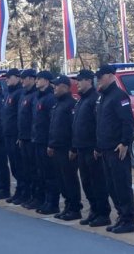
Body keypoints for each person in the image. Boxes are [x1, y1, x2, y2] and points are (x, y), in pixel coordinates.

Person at [95, 64, 134, 234]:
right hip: (105, 148)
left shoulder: (119, 96)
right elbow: (102, 124)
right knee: (111, 186)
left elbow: (127, 121)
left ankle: (128, 220)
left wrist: (125, 142)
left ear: (111, 76)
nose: (98, 80)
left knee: (121, 185)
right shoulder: (103, 97)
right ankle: (121, 216)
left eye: (101, 76)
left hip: (117, 149)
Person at [72, 69, 112, 227]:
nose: (77, 84)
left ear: (89, 81)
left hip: (92, 149)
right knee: (87, 183)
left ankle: (103, 213)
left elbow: (99, 125)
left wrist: (97, 146)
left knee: (98, 183)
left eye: (80, 80)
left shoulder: (95, 99)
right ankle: (94, 211)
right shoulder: (81, 100)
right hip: (81, 148)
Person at [48, 75, 81, 221]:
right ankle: (67, 206)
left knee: (70, 180)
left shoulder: (70, 104)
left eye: (57, 85)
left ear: (65, 87)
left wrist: (73, 148)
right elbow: (53, 127)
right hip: (57, 148)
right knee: (61, 180)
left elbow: (74, 128)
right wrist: (51, 144)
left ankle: (74, 208)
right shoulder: (57, 104)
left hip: (67, 149)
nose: (54, 88)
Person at [33, 70, 58, 215]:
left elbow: (51, 123)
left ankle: (52, 202)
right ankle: (45, 201)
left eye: (39, 79)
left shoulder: (50, 98)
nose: (37, 81)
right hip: (38, 140)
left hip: (46, 142)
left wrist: (50, 142)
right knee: (41, 173)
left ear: (47, 81)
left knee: (50, 175)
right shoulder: (39, 97)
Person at [0, 68, 26, 204]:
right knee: (14, 166)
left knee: (20, 166)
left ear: (17, 78)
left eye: (9, 77)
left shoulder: (19, 93)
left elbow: (19, 117)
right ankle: (19, 191)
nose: (7, 79)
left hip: (15, 135)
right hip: (8, 134)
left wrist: (18, 134)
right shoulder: (8, 94)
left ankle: (23, 191)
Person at [18, 69, 39, 209]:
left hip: (32, 139)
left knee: (35, 170)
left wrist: (31, 136)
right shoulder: (23, 95)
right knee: (27, 170)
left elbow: (34, 119)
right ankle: (30, 195)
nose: (22, 81)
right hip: (23, 138)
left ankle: (37, 197)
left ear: (32, 79)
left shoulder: (35, 96)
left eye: (24, 78)